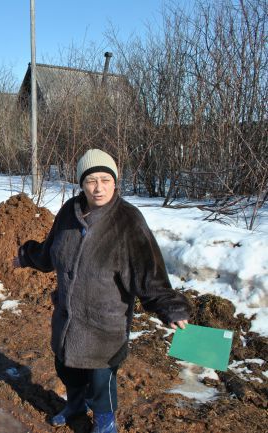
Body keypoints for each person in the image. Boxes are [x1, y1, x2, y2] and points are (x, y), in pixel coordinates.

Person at [13, 149, 191, 433]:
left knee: (101, 380)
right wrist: (26, 256)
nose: (98, 187)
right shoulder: (69, 212)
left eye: (105, 179)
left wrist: (169, 306)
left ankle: (105, 422)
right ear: (81, 184)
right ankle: (75, 405)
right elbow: (50, 253)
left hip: (104, 323)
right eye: (91, 180)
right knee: (66, 367)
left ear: (115, 182)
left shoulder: (128, 220)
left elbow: (148, 271)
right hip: (68, 318)